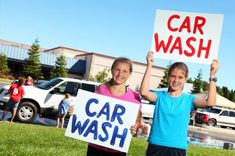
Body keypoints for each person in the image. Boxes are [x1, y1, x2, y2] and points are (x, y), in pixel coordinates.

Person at [140, 51, 219, 156]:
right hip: (156, 145)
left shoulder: (189, 99)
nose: (176, 80)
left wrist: (213, 75)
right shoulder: (160, 96)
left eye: (180, 77)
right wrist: (149, 65)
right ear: (168, 77)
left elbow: (210, 103)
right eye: (173, 76)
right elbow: (144, 92)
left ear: (186, 79)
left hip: (177, 148)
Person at [69, 57, 143, 156]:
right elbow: (88, 111)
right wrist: (75, 111)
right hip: (95, 148)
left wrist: (135, 128)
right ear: (112, 70)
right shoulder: (101, 89)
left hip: (118, 150)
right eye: (117, 70)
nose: (120, 74)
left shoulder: (134, 97)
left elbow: (137, 121)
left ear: (130, 74)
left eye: (124, 71)